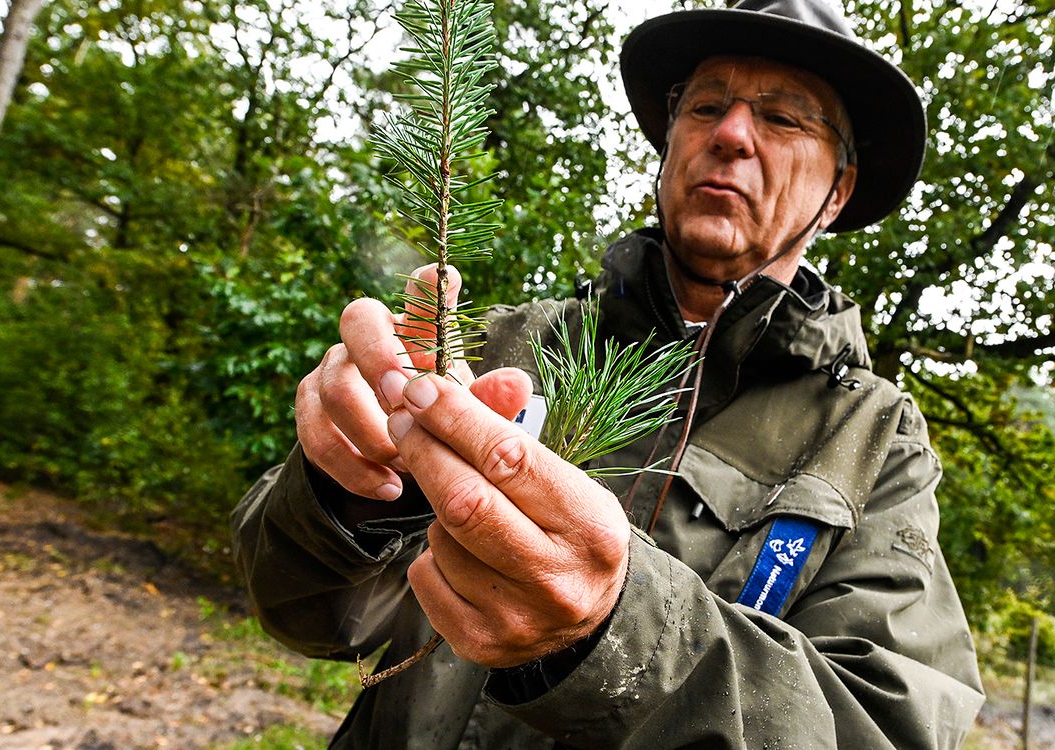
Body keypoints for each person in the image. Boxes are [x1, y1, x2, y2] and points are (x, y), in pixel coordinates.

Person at [231, 0, 985, 747]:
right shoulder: (503, 345)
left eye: (784, 119)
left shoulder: (873, 443)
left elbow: (887, 729)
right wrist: (350, 490)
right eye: (706, 106)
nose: (729, 134)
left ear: (839, 193)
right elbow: (304, 612)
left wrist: (613, 628)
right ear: (670, 138)